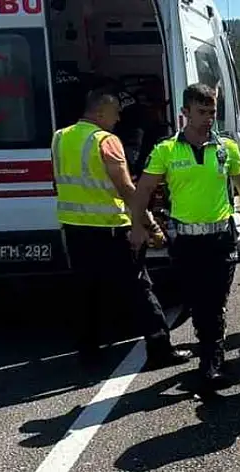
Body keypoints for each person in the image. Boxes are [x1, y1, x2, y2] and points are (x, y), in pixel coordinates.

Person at [128, 83, 240, 391]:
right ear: (184, 113)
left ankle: (211, 364)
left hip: (220, 239)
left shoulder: (226, 148)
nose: (208, 119)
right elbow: (143, 191)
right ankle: (209, 352)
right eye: (201, 112)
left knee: (215, 302)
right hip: (186, 242)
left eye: (212, 112)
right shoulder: (167, 150)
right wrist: (138, 227)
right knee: (197, 301)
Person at [51, 88, 190, 370]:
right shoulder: (106, 141)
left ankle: (88, 353)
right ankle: (159, 347)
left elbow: (57, 181)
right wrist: (148, 224)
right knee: (140, 288)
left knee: (85, 292)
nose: (117, 120)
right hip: (110, 230)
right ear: (100, 112)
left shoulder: (59, 137)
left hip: (74, 229)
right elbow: (127, 189)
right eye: (115, 113)